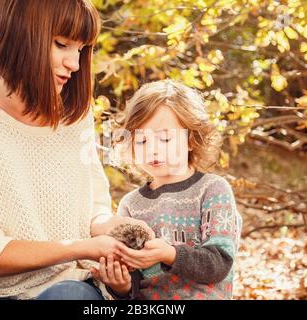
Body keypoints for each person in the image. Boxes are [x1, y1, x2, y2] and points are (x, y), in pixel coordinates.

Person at [0, 0, 150, 300]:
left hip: (64, 286)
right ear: (18, 36)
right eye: (61, 44)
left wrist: (120, 231)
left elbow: (92, 210)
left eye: (80, 50)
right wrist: (79, 248)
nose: (74, 64)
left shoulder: (74, 118)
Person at [91, 80, 243, 300]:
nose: (153, 149)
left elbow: (220, 263)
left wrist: (170, 254)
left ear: (191, 139)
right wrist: (121, 286)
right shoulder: (131, 205)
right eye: (141, 140)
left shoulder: (212, 190)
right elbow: (134, 281)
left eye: (164, 139)